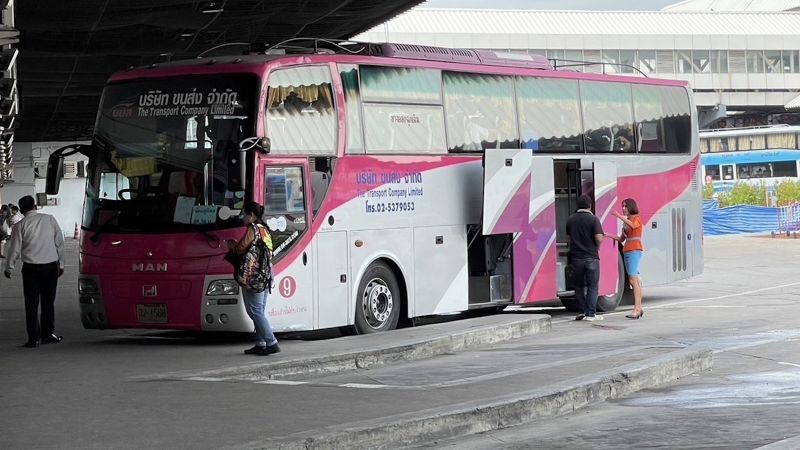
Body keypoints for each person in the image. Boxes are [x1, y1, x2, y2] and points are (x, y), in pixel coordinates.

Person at [3, 195, 66, 348]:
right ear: (35, 206)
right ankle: (47, 334)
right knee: (48, 303)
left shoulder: (20, 226)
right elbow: (60, 242)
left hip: (31, 269)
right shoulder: (49, 219)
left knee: (31, 304)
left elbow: (15, 249)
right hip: (50, 267)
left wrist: (9, 267)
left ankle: (33, 339)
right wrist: (61, 263)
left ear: (22, 210)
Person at [225, 201, 279, 356]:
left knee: (254, 311)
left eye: (244, 214)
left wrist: (232, 247)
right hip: (266, 273)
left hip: (252, 275)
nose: (242, 217)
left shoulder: (252, 229)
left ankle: (271, 342)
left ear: (252, 215)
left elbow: (242, 248)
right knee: (259, 310)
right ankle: (261, 343)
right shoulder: (264, 229)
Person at [566, 194, 605, 322]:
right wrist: (597, 247)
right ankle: (590, 314)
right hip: (591, 257)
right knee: (592, 286)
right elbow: (599, 237)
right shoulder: (594, 219)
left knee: (579, 286)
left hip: (576, 258)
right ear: (590, 205)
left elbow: (568, 239)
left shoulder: (570, 219)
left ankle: (582, 311)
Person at [610, 198, 645, 319]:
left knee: (633, 280)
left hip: (634, 250)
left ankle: (637, 308)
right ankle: (638, 308)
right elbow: (621, 239)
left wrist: (619, 216)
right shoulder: (627, 221)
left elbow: (634, 226)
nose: (623, 208)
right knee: (633, 280)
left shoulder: (636, 218)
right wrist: (607, 235)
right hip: (628, 251)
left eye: (625, 206)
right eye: (622, 206)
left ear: (631, 207)